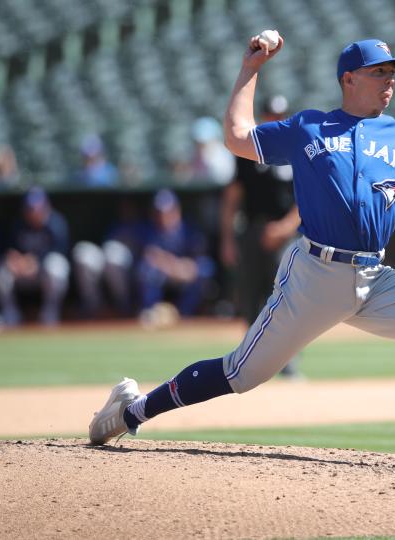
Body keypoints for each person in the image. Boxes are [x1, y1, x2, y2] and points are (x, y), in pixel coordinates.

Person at [89, 35, 395, 479]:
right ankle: (130, 412)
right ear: (349, 79)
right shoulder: (309, 127)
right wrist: (251, 69)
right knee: (240, 373)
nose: (390, 81)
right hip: (315, 273)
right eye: (379, 72)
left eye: (393, 73)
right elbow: (236, 137)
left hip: (375, 276)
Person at [219, 94, 303, 378]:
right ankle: (253, 359)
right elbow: (233, 196)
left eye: (280, 116)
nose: (275, 120)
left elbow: (308, 198)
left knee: (286, 296)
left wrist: (285, 228)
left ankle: (287, 360)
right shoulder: (249, 150)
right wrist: (227, 238)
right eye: (270, 115)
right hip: (253, 229)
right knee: (249, 294)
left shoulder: (298, 149)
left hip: (285, 232)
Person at [0, 187, 71, 326]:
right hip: (22, 270)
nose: (34, 211)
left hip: (43, 271)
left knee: (55, 267)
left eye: (37, 207)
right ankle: (10, 313)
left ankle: (50, 313)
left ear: (46, 206)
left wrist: (36, 262)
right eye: (30, 208)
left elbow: (61, 251)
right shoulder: (18, 224)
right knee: (1, 270)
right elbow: (9, 249)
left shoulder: (56, 223)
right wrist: (15, 259)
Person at [137, 189, 215, 319]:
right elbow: (150, 257)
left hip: (184, 275)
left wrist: (180, 268)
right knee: (146, 270)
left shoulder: (189, 230)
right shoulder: (151, 230)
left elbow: (198, 263)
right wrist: (174, 267)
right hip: (165, 275)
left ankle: (184, 314)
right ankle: (151, 312)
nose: (163, 216)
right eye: (160, 213)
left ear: (177, 210)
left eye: (168, 212)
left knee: (206, 269)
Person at [72, 198, 148, 318]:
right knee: (82, 253)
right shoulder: (114, 225)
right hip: (105, 265)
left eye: (129, 208)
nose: (126, 211)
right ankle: (92, 305)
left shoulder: (141, 228)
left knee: (113, 258)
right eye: (123, 208)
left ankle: (124, 304)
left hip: (127, 270)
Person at [190, 116, 236, 185]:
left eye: (204, 142)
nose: (200, 145)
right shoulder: (196, 153)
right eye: (198, 142)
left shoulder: (223, 154)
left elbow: (223, 179)